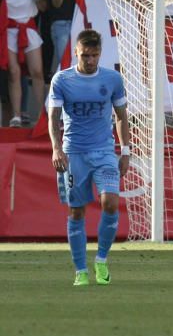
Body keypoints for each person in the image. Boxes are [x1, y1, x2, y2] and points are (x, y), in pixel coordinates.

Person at [49, 29, 131, 287]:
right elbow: (53, 118)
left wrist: (125, 150)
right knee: (77, 211)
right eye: (86, 55)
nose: (91, 60)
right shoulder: (62, 80)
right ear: (76, 52)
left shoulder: (112, 79)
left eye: (95, 55)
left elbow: (120, 116)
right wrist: (55, 148)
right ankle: (81, 270)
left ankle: (102, 259)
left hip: (105, 152)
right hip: (74, 153)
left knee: (110, 203)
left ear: (100, 54)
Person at [0, 0, 45, 125]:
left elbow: (43, 7)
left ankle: (42, 114)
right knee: (14, 72)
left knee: (37, 72)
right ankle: (16, 116)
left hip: (28, 30)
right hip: (9, 31)